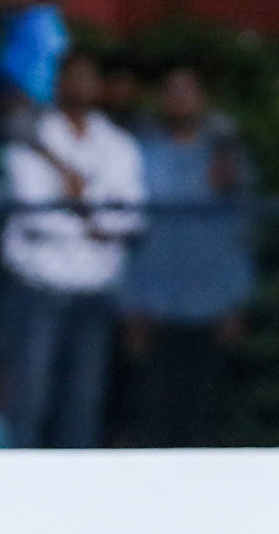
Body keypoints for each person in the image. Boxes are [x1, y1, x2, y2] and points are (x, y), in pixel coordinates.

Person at [0, 50, 143, 448]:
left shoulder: (119, 145)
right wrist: (97, 217)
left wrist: (79, 199)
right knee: (30, 400)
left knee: (84, 404)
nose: (80, 85)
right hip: (40, 286)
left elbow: (129, 218)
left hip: (95, 291)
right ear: (58, 83)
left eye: (88, 77)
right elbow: (36, 215)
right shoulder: (32, 139)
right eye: (72, 77)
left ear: (100, 86)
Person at [120, 66, 252, 448]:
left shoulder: (226, 161)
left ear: (204, 99)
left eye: (188, 90)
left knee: (203, 417)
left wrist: (235, 301)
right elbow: (130, 234)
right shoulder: (140, 153)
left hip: (210, 305)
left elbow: (239, 234)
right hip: (153, 305)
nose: (180, 99)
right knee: (150, 416)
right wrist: (130, 305)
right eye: (171, 90)